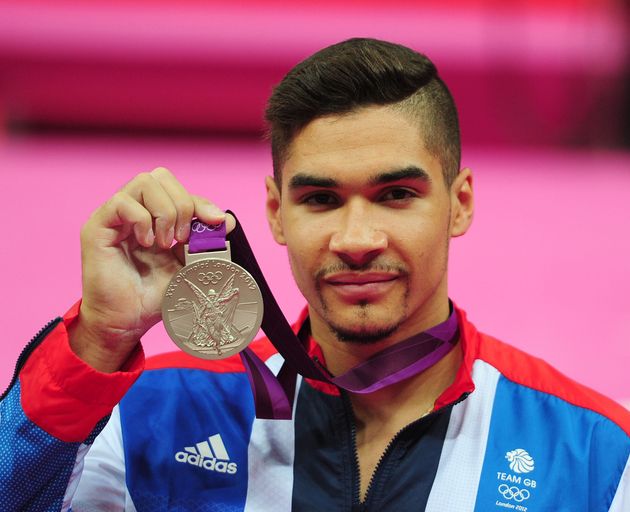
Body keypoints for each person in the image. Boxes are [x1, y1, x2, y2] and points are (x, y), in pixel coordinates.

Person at [1, 38, 628, 512]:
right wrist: (100, 340)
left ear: (459, 202)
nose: (356, 241)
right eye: (321, 200)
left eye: (397, 194)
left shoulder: (595, 454)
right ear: (275, 213)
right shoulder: (154, 414)